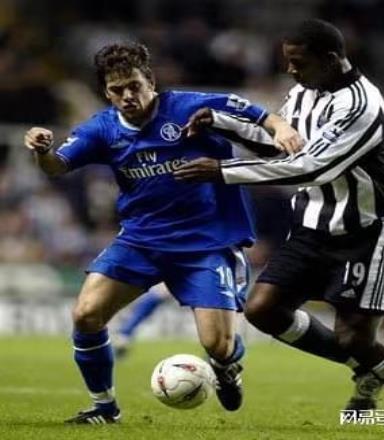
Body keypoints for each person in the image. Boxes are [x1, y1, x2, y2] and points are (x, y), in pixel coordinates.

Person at [174, 19, 384, 435]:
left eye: (299, 62)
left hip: (368, 231)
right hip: (313, 225)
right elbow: (280, 145)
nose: (290, 69)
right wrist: (222, 122)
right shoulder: (303, 91)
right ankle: (369, 367)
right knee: (263, 310)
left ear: (330, 59)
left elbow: (310, 167)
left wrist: (223, 171)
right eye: (287, 61)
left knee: (356, 338)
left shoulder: (361, 106)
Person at [23, 42, 302, 424]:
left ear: (150, 82)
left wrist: (282, 128)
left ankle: (226, 368)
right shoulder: (102, 128)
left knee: (217, 345)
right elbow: (57, 167)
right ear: (107, 93)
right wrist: (42, 151)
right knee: (86, 314)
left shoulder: (188, 107)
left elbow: (258, 114)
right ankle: (104, 408)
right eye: (117, 90)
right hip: (141, 240)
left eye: (134, 86)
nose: (128, 96)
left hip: (205, 243)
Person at [113, 284, 170, 359]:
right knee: (138, 315)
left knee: (139, 315)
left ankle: (124, 335)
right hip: (156, 293)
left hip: (156, 294)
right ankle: (123, 335)